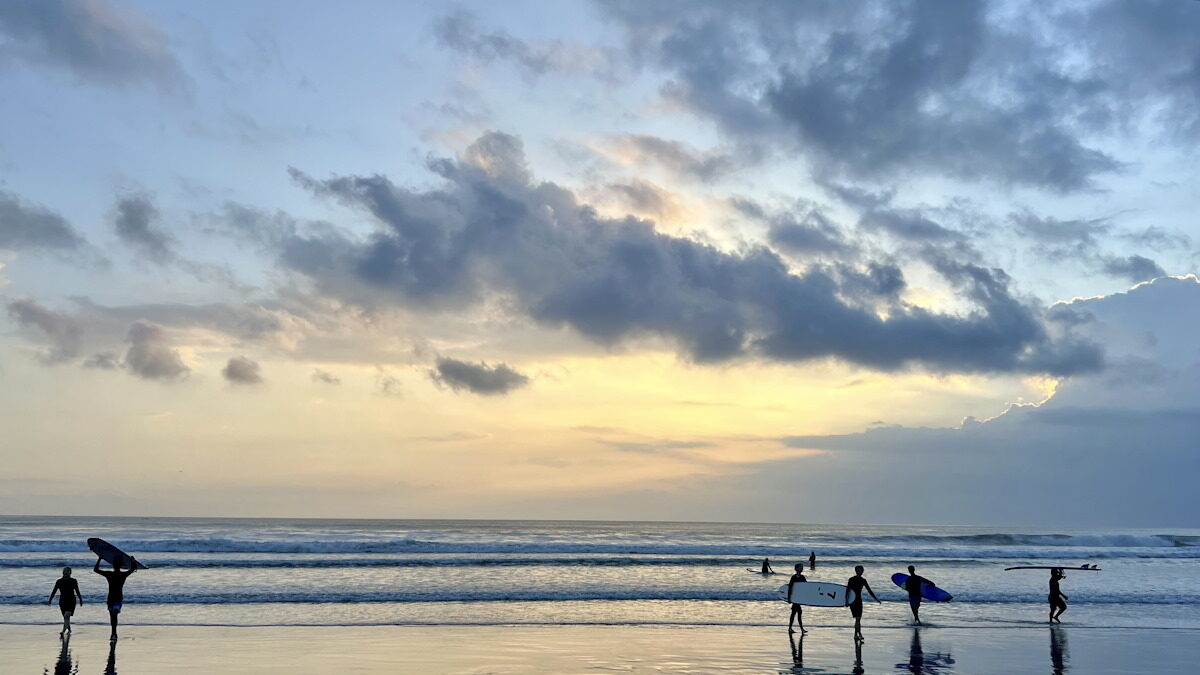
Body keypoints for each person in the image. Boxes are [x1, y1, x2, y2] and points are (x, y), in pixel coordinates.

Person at [94, 556, 137, 640]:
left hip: (112, 598)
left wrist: (99, 559)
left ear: (113, 565)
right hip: (117, 598)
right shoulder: (122, 574)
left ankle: (114, 633)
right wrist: (132, 561)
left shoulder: (110, 574)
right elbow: (133, 569)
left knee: (113, 615)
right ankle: (114, 633)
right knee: (113, 615)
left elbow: (96, 569)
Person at [846, 565, 880, 642]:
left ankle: (857, 634)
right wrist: (846, 601)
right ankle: (857, 634)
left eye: (861, 570)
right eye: (859, 570)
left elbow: (869, 590)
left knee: (858, 619)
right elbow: (847, 591)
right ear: (856, 571)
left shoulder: (863, 580)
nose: (860, 571)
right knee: (857, 619)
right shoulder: (851, 579)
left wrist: (876, 599)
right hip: (852, 601)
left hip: (859, 600)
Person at [47, 566, 83, 636]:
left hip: (71, 600)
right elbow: (54, 591)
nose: (65, 572)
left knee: (66, 616)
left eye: (67, 571)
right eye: (64, 571)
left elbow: (77, 590)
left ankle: (63, 631)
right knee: (66, 617)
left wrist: (80, 599)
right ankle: (69, 630)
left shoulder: (73, 581)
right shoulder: (59, 581)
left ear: (70, 573)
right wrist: (50, 599)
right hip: (62, 601)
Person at [786, 563, 808, 633]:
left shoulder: (802, 577)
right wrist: (789, 598)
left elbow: (807, 587)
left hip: (799, 598)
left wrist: (806, 598)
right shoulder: (793, 577)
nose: (802, 568)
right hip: (795, 597)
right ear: (796, 569)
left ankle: (791, 628)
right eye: (800, 567)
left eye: (802, 567)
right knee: (798, 612)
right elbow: (790, 587)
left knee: (794, 613)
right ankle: (800, 629)